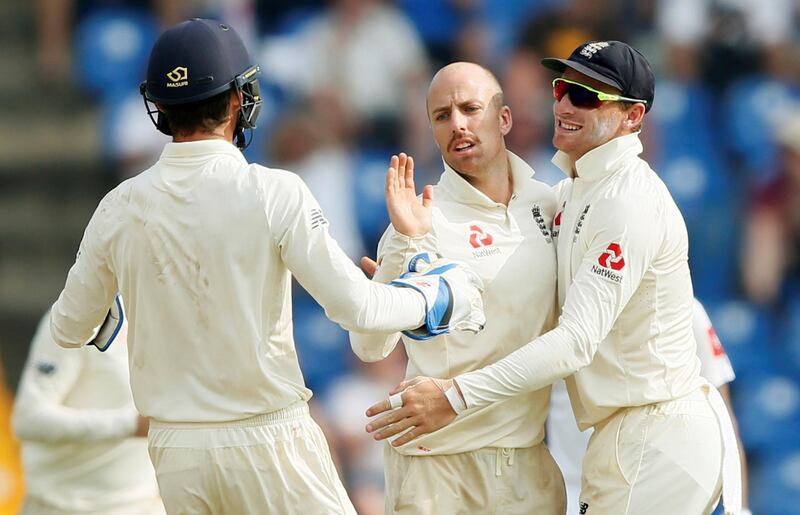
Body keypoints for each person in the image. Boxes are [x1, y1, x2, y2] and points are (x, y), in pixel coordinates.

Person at [47, 18, 484, 515]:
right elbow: (360, 311)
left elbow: (68, 327)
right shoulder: (273, 191)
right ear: (239, 101)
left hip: (177, 454)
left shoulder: (118, 206)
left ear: (160, 108)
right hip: (269, 441)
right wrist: (442, 294)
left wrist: (126, 306)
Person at [364, 41, 743, 514]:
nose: (564, 104)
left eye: (586, 96)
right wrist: (399, 270)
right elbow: (369, 343)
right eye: (563, 89)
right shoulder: (566, 195)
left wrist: (455, 396)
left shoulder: (621, 201)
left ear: (632, 115)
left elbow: (576, 341)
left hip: (651, 435)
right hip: (602, 439)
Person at [350, 62, 566, 514]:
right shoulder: (423, 218)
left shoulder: (547, 204)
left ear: (504, 119)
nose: (458, 125)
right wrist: (401, 248)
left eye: (470, 109)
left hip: (528, 459)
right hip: (439, 469)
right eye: (442, 116)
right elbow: (369, 346)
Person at [547, 298, 752, 514]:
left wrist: (742, 510)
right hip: (567, 499)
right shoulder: (558, 311)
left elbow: (724, 419)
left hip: (654, 498)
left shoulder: (683, 310)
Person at [13, 311, 164, 515]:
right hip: (63, 506)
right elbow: (28, 420)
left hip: (144, 505)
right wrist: (131, 424)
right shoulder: (76, 315)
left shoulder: (171, 313)